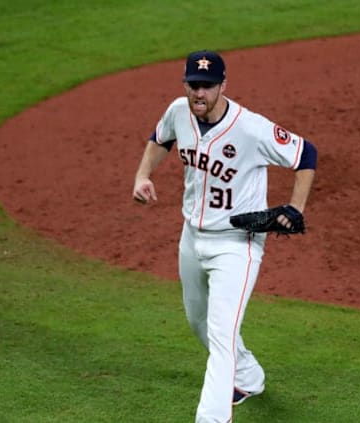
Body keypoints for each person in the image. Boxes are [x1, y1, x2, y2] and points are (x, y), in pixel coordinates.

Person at [132, 49, 318, 422]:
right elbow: (160, 138)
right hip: (192, 236)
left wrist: (296, 208)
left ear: (223, 86)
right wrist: (143, 175)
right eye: (193, 85)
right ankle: (249, 378)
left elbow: (305, 154)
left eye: (207, 86)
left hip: (237, 244)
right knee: (197, 320)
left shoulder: (250, 128)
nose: (199, 93)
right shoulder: (178, 112)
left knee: (220, 336)